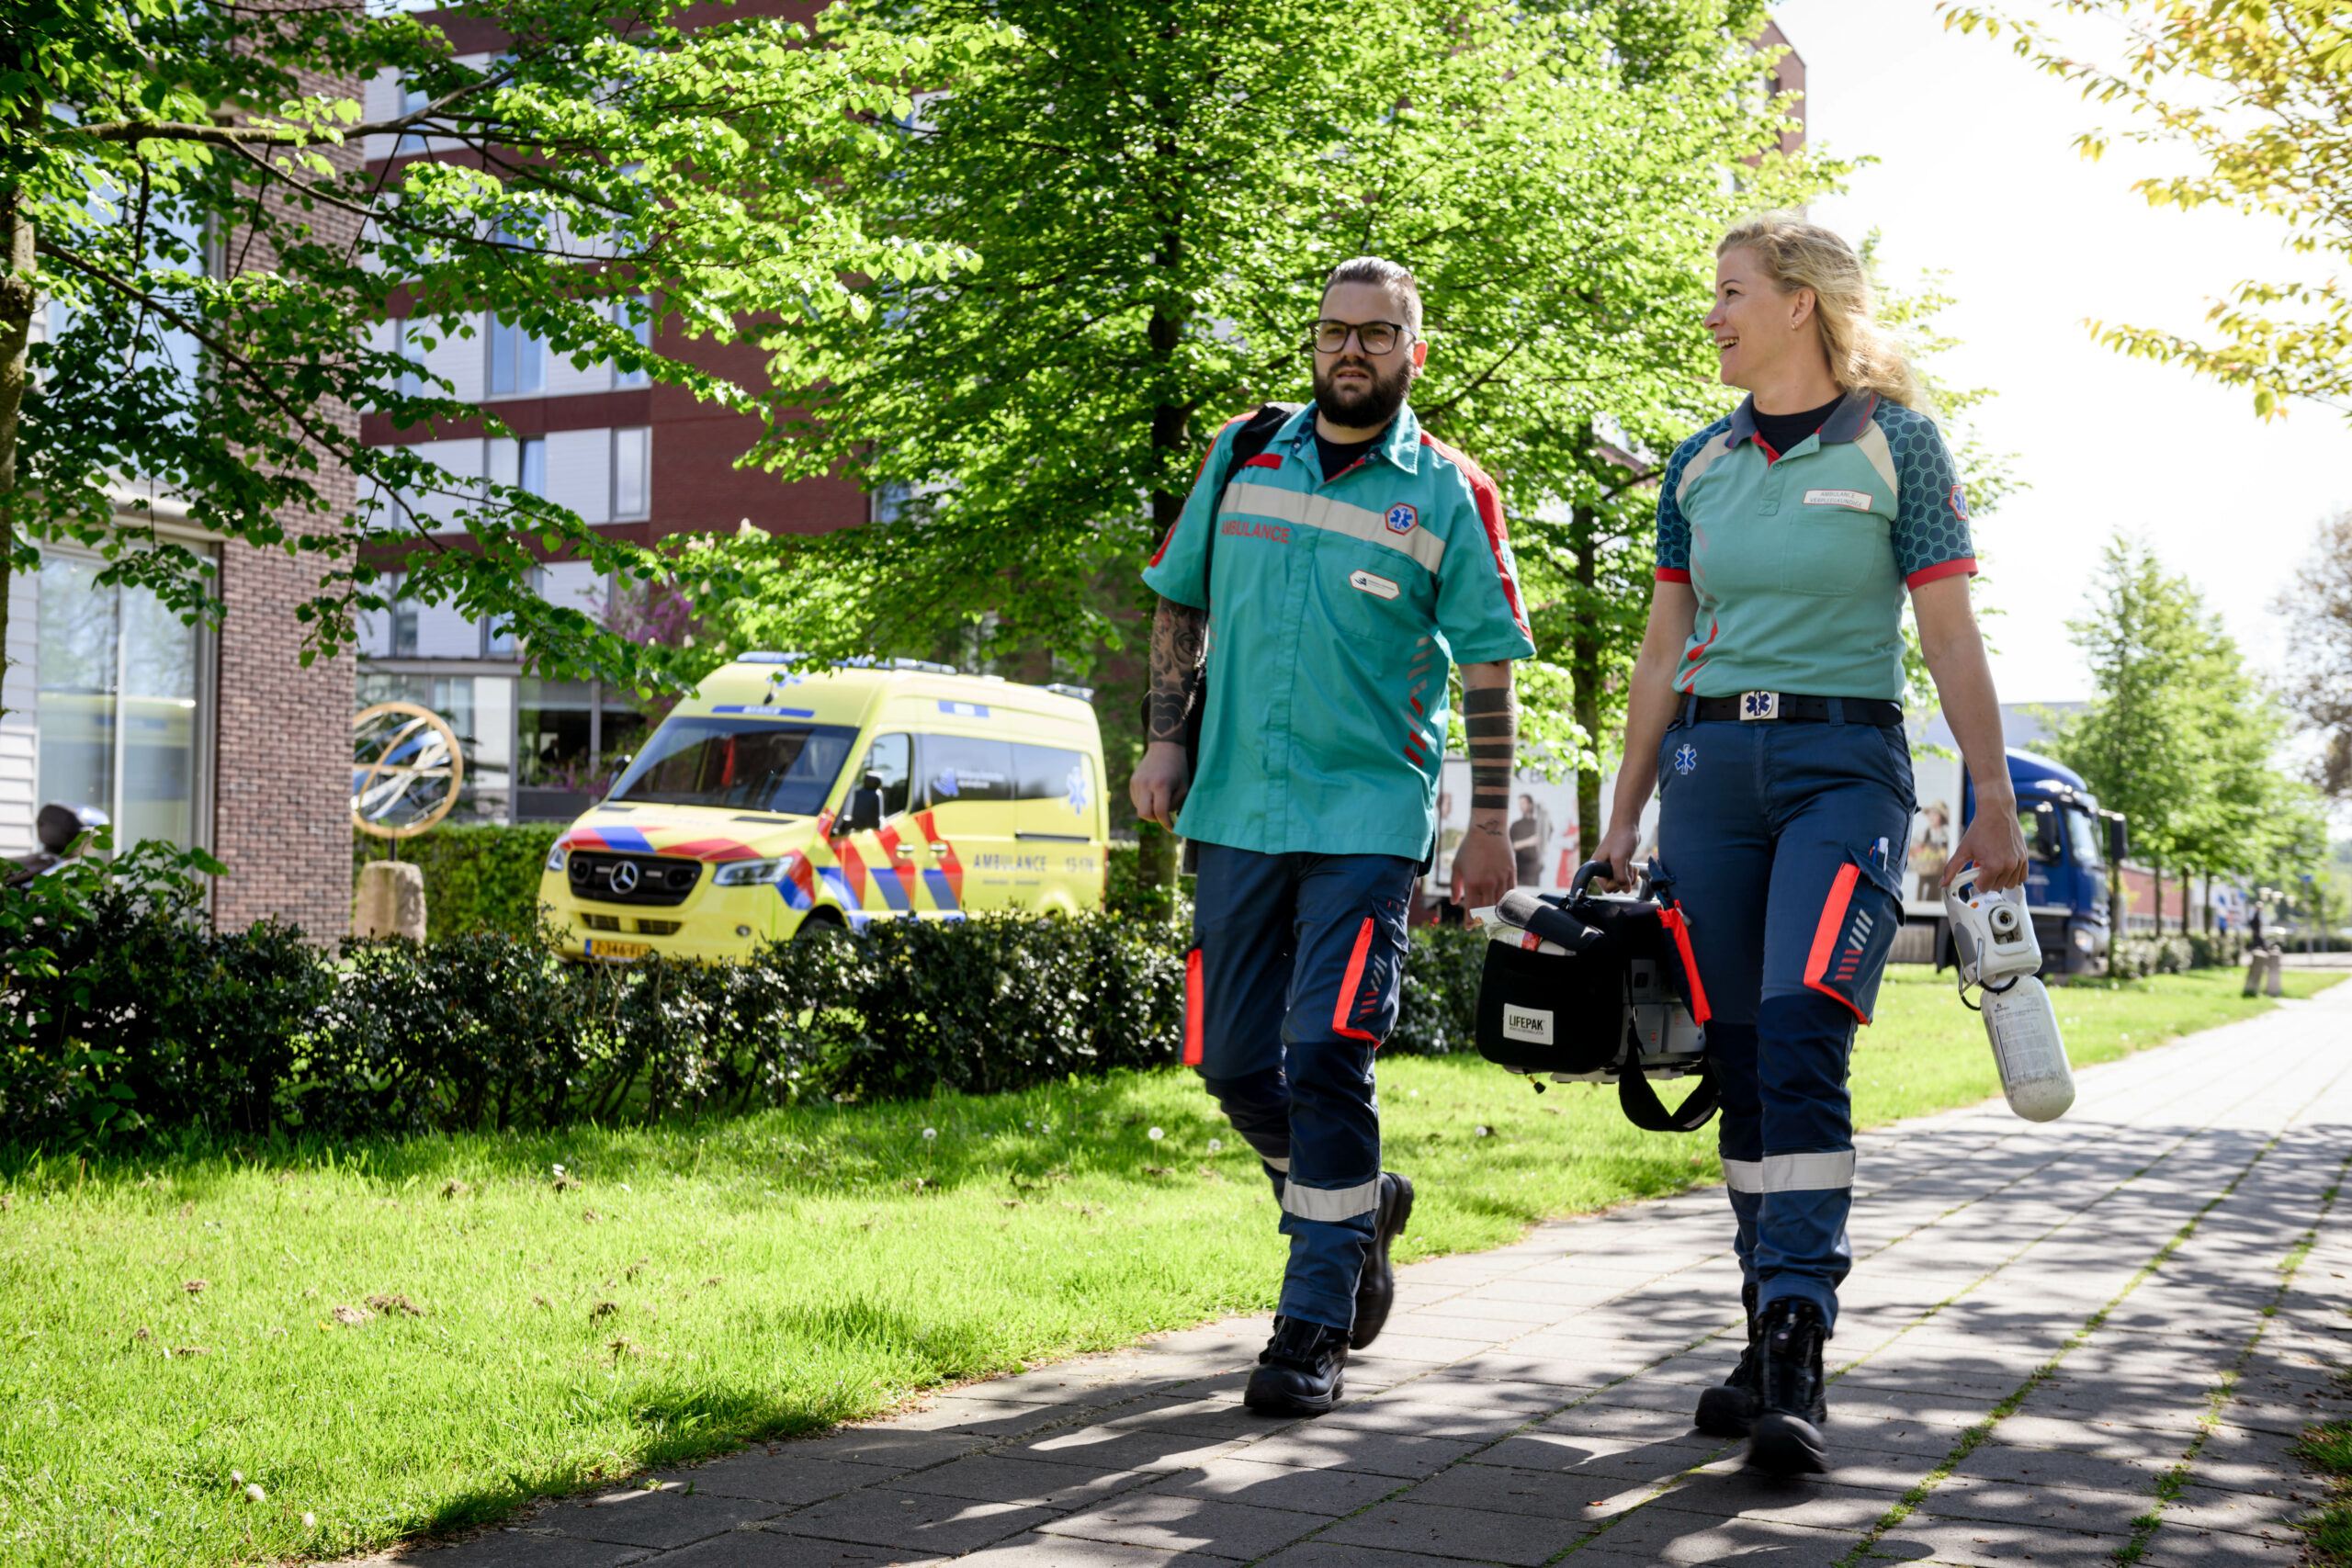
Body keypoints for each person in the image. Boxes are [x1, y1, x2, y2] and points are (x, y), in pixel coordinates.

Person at [1594, 214, 2028, 1476]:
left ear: (1799, 302)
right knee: (1736, 1050)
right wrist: (1623, 811)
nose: (1712, 313)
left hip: (1846, 768)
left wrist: (1990, 791)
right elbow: (1662, 654)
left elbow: (1949, 636)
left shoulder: (1899, 444)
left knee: (1800, 1032)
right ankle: (1758, 1321)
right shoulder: (1697, 463)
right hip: (1712, 775)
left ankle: (1798, 1331)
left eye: (1730, 291)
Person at [1131, 255, 1534, 1416]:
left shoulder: (1452, 491)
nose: (1348, 351)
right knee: (1230, 1063)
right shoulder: (1243, 450)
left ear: (1415, 350)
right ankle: (1361, 1206)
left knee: (1326, 1058)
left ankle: (1311, 1326)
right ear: (1312, 343)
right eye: (1331, 332)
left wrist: (1488, 821)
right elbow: (1180, 595)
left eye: (1375, 334)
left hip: (1367, 820)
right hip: (1237, 811)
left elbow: (1491, 663)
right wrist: (1164, 740)